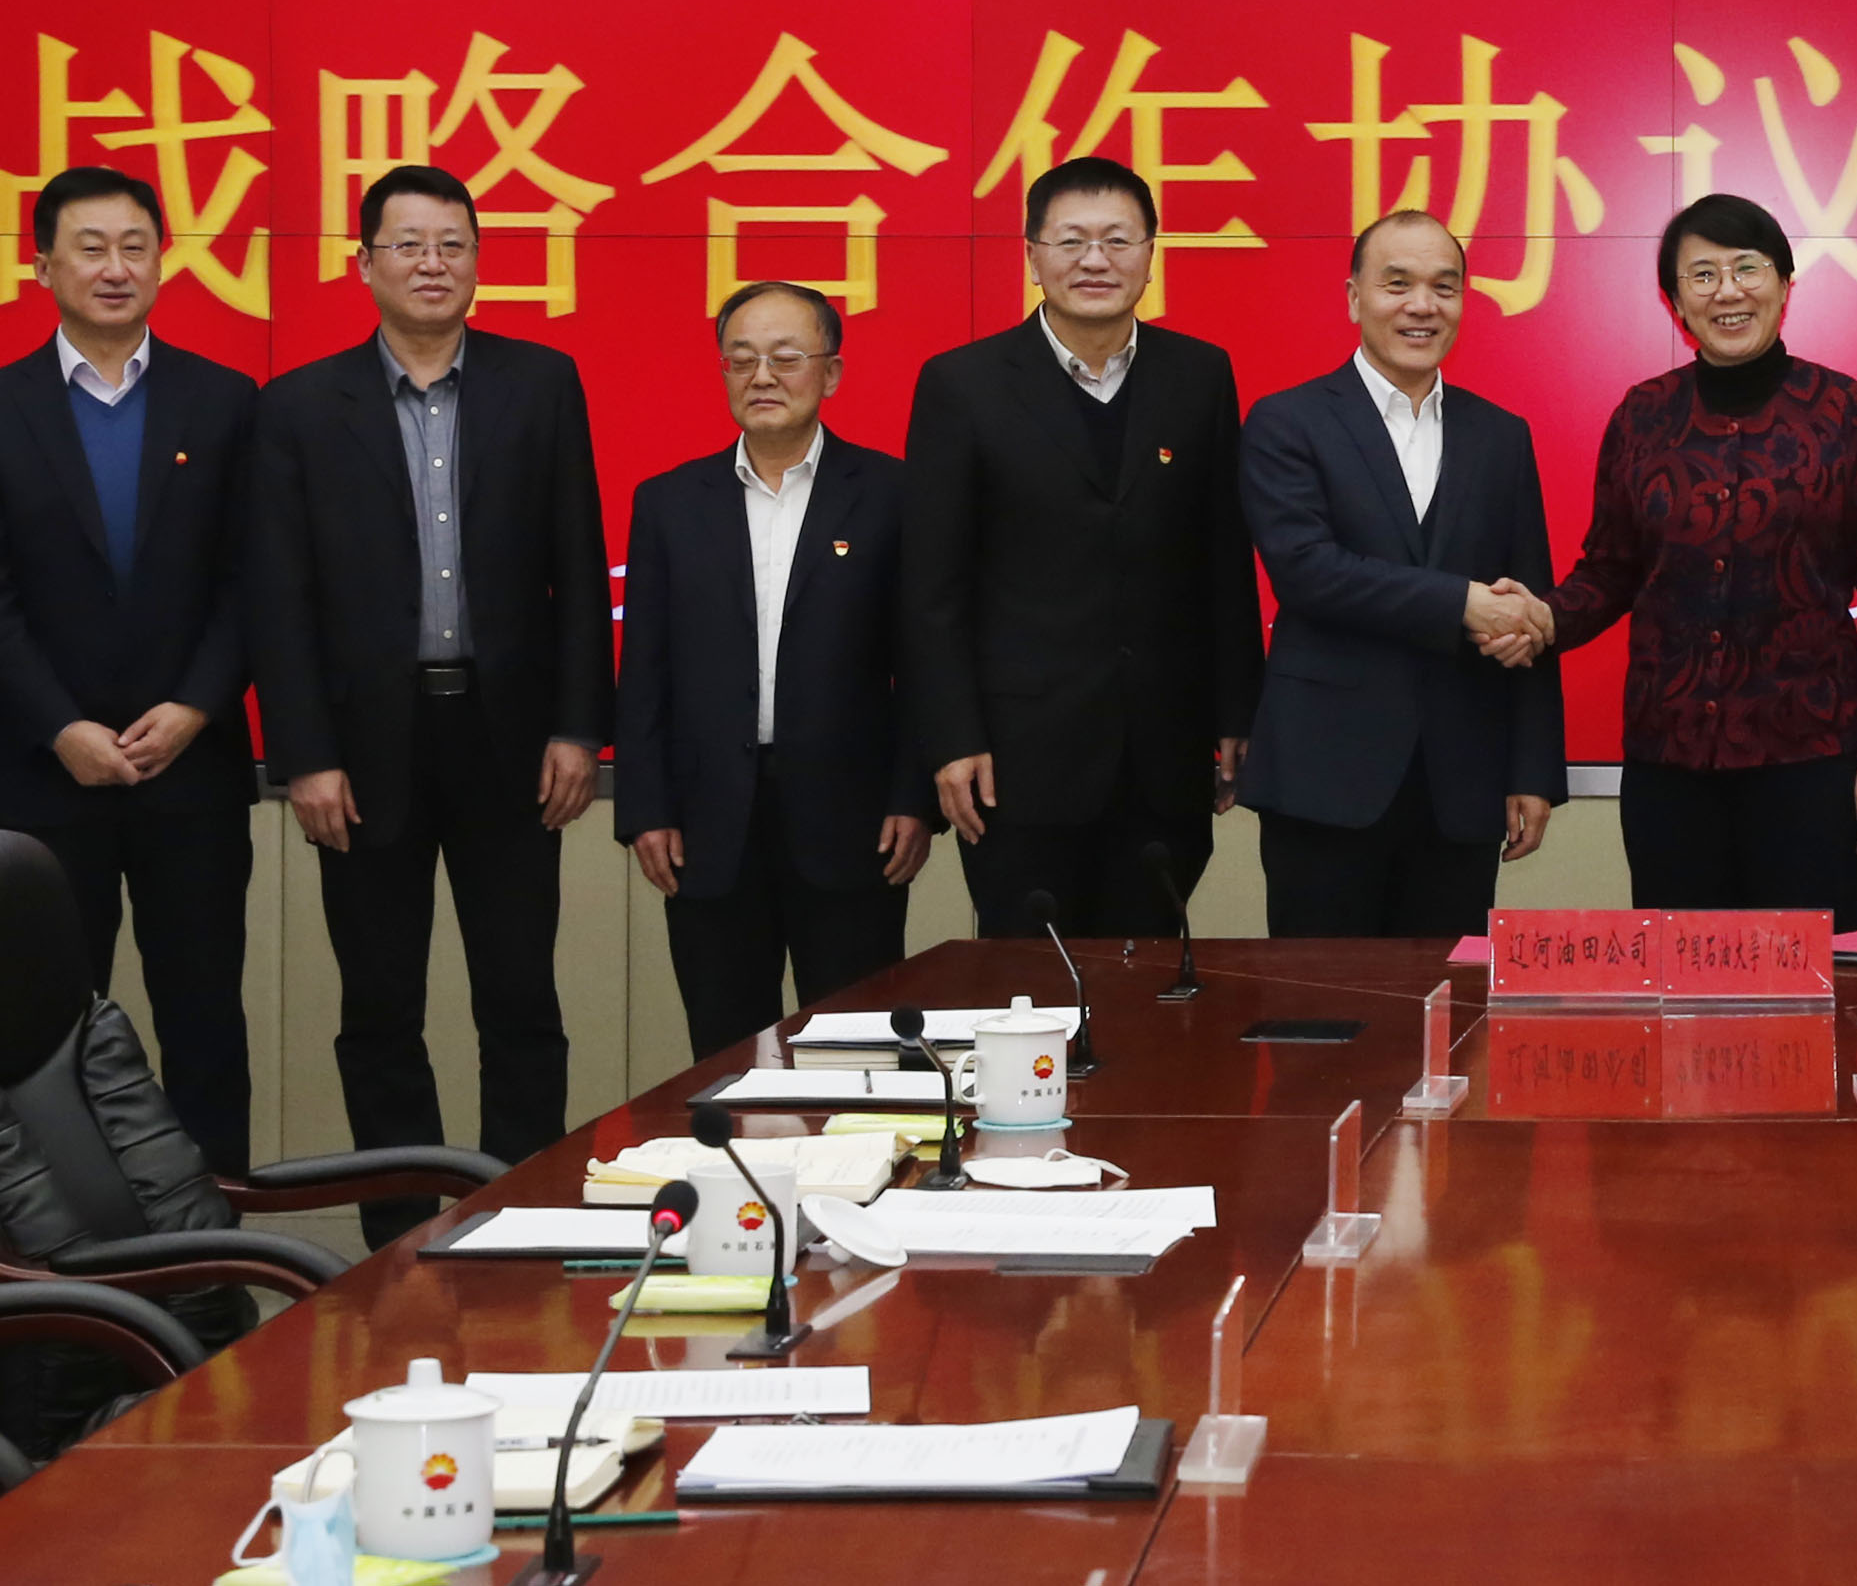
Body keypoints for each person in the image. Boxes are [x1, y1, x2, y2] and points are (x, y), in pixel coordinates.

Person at [249, 164, 609, 1219]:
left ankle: (521, 1216)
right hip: (363, 752)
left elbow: (578, 566)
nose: (431, 264)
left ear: (479, 261)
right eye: (407, 245)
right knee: (378, 1010)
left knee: (522, 1001)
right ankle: (401, 1239)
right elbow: (279, 596)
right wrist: (305, 753)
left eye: (452, 244)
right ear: (364, 264)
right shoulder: (300, 406)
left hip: (510, 739)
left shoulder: (540, 383)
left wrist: (579, 727)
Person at [0, 163, 262, 1167]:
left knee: (203, 1017)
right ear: (42, 267)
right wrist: (60, 726)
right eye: (90, 248)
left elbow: (252, 580)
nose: (115, 268)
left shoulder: (225, 402)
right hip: (42, 779)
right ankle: (65, 1238)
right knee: (44, 1029)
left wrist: (197, 706)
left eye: (135, 247)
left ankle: (218, 1226)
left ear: (163, 261)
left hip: (191, 773)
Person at [902, 155, 1255, 936]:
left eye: (1118, 240)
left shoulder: (1199, 375)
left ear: (1150, 254)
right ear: (1033, 256)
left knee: (1150, 979)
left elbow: (1224, 561)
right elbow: (932, 589)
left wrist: (1236, 711)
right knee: (1028, 985)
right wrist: (952, 738)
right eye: (1071, 241)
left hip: (1165, 754)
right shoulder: (962, 384)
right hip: (1017, 762)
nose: (1096, 260)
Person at [1551, 194, 1857, 925]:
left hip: (1811, 761)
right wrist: (1536, 620)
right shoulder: (1642, 415)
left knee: (1810, 974)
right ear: (1675, 301)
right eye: (1703, 275)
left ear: (1784, 284)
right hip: (1669, 762)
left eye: (1748, 268)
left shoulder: (1843, 412)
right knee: (1679, 972)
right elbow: (1611, 568)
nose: (1728, 291)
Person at [612, 281, 925, 1048]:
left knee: (857, 1051)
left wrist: (913, 796)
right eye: (741, 359)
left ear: (831, 372)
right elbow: (645, 668)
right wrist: (645, 808)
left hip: (853, 824)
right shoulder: (669, 502)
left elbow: (923, 662)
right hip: (708, 825)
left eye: (786, 358)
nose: (762, 377)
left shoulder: (893, 494)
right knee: (725, 1053)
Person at [1235, 211, 1563, 939]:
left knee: (1447, 999)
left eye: (1444, 287)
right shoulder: (1286, 421)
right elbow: (1309, 572)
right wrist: (1464, 604)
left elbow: (1527, 604)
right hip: (1324, 777)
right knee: (1322, 1000)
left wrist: (1533, 771)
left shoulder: (1501, 435)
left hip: (1463, 782)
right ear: (1355, 298)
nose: (1423, 305)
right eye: (1398, 284)